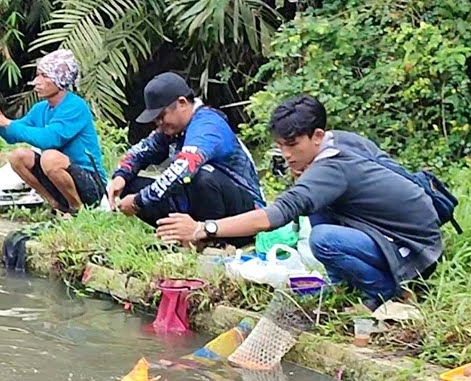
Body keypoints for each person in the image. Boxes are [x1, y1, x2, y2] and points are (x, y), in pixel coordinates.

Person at [154, 94, 443, 310]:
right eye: (281, 146)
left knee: (323, 239)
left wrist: (204, 229)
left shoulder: (330, 169)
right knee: (317, 209)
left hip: (414, 247)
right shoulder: (342, 140)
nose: (287, 154)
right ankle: (343, 283)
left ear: (317, 136)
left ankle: (386, 292)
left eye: (292, 145)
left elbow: (273, 216)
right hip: (409, 231)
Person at [107, 72, 265, 232]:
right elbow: (140, 152)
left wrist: (138, 201)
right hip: (199, 205)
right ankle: (184, 237)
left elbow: (183, 170)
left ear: (182, 103)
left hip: (245, 212)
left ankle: (216, 243)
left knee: (201, 176)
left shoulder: (207, 125)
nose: (159, 124)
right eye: (156, 120)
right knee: (130, 184)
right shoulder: (172, 130)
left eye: (162, 116)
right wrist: (121, 176)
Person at [0, 49, 105, 214]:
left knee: (49, 157)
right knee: (18, 156)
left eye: (43, 76)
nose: (35, 82)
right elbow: (11, 136)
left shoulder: (75, 106)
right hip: (58, 179)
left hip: (90, 183)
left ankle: (76, 209)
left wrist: (7, 122)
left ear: (59, 80)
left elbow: (50, 139)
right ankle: (55, 203)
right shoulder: (40, 109)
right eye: (37, 75)